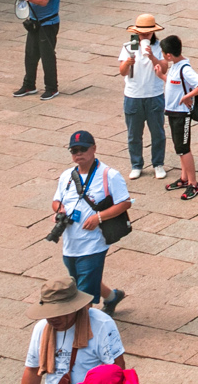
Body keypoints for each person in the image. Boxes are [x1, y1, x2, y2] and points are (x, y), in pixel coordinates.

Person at [50, 130, 130, 314]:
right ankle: (112, 296)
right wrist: (59, 211)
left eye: (83, 149)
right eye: (74, 150)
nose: (78, 154)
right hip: (71, 242)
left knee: (83, 293)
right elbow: (56, 201)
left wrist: (98, 217)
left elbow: (124, 203)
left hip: (94, 242)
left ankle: (84, 329)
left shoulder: (109, 175)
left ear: (94, 149)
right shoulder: (66, 176)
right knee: (80, 278)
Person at [20, 278, 125, 384]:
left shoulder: (101, 324)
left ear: (75, 308)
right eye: (49, 313)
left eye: (59, 312)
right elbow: (32, 370)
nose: (53, 318)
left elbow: (117, 369)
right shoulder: (41, 328)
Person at [117, 14, 167, 180]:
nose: (145, 36)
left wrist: (152, 56)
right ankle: (136, 164)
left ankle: (158, 164)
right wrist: (127, 62)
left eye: (148, 33)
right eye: (142, 33)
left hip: (154, 94)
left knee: (157, 132)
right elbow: (122, 71)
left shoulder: (160, 47)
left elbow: (164, 68)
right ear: (136, 32)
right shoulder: (128, 46)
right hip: (133, 96)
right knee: (134, 134)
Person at [159, 34, 198, 200]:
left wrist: (188, 97)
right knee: (180, 148)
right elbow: (174, 84)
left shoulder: (185, 69)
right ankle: (184, 178)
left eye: (163, 53)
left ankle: (193, 183)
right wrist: (162, 77)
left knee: (183, 149)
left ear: (169, 55)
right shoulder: (175, 67)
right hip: (172, 111)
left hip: (181, 114)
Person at [14, 0, 62, 99]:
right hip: (34, 21)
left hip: (48, 22)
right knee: (30, 54)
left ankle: (52, 88)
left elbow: (44, 0)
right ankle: (29, 84)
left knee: (47, 56)